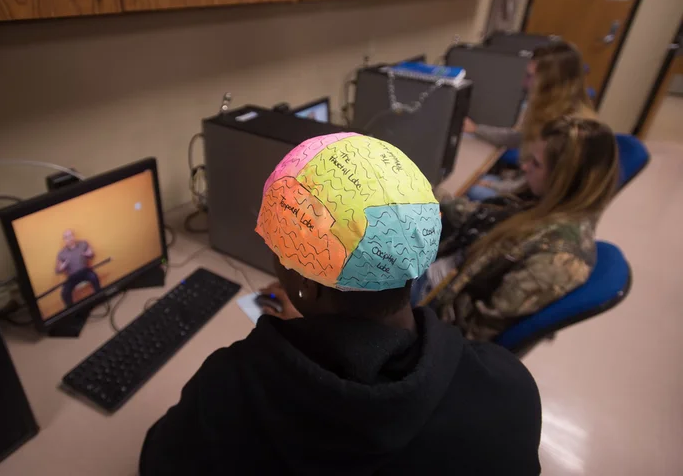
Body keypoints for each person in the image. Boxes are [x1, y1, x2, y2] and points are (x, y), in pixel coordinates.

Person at [140, 133, 541, 475]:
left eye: (278, 252)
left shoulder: (229, 391)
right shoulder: (509, 388)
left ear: (306, 285)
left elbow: (157, 462)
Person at [414, 117, 619, 341]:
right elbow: (483, 216)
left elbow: (472, 334)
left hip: (432, 311)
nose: (524, 166)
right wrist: (422, 188)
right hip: (444, 271)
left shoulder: (555, 260)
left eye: (536, 164)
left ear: (564, 180)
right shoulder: (547, 203)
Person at [464, 40, 596, 200]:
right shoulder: (550, 109)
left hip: (536, 199)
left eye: (530, 77)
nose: (524, 83)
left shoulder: (567, 129)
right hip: (523, 182)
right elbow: (520, 137)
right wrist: (476, 130)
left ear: (552, 84)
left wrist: (493, 186)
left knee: (469, 190)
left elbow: (535, 185)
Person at [55, 229, 100, 307]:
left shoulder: (83, 244)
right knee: (64, 292)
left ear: (73, 236)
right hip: (72, 277)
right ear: (64, 240)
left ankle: (100, 298)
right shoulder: (61, 253)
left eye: (70, 235)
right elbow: (57, 271)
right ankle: (72, 310)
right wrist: (61, 268)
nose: (69, 238)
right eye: (66, 237)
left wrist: (89, 254)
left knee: (94, 277)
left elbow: (92, 255)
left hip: (85, 271)